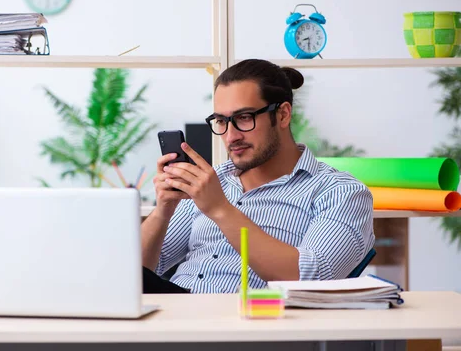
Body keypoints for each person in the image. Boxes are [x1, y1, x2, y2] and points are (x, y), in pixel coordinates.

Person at [140, 58, 375, 294]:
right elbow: (138, 271)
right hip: (176, 315)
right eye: (221, 121)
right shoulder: (212, 180)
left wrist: (220, 209)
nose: (231, 137)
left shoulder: (340, 192)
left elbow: (312, 278)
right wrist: (163, 210)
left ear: (282, 115)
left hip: (252, 321)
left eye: (244, 118)